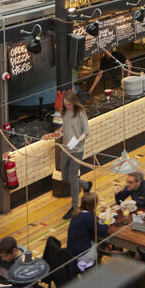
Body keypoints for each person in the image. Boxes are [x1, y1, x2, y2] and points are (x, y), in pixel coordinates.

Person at [55, 91, 91, 220]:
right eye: (66, 104)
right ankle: (85, 185)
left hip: (76, 149)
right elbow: (66, 125)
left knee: (73, 177)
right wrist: (60, 130)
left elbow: (86, 132)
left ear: (74, 103)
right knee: (66, 177)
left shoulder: (81, 113)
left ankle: (74, 207)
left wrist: (76, 141)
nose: (68, 106)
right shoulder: (64, 111)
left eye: (69, 104)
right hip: (65, 148)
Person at [67, 191, 108, 271]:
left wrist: (98, 213)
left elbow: (90, 216)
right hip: (82, 254)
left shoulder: (77, 212)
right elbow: (103, 230)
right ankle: (95, 263)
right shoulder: (87, 217)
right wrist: (108, 217)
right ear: (93, 205)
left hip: (71, 252)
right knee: (101, 241)